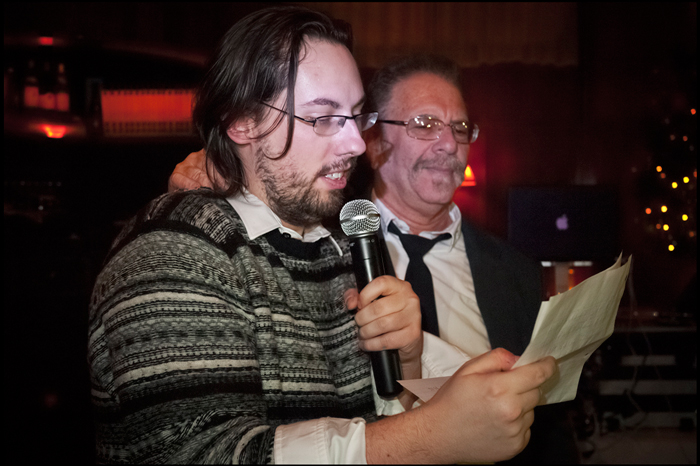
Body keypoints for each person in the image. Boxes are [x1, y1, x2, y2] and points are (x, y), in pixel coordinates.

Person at [90, 6, 557, 464]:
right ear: (242, 121)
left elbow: (373, 419)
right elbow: (198, 452)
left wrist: (409, 363)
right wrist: (432, 436)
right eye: (324, 117)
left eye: (355, 116)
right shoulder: (171, 249)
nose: (354, 144)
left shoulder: (336, 248)